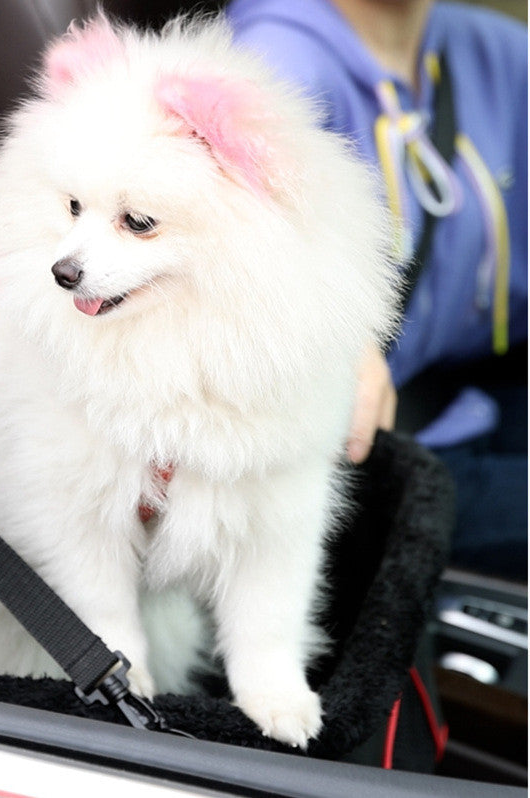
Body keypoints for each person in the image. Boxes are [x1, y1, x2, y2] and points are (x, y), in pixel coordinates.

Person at [227, 0, 527, 579]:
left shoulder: (490, 51)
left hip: (487, 386)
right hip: (395, 451)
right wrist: (334, 336)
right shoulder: (276, 61)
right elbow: (236, 255)